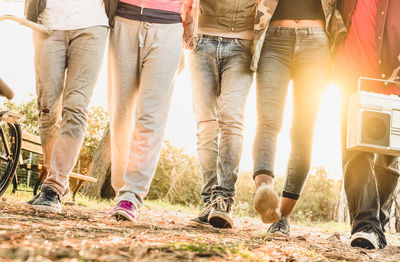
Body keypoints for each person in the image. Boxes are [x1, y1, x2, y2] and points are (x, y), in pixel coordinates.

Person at [250, 0, 346, 233]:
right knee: (268, 121)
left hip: (317, 43)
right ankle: (264, 191)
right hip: (274, 38)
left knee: (303, 129)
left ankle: (283, 216)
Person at [25, 0, 117, 212]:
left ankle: (54, 186)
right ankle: (54, 179)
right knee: (47, 109)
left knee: (76, 106)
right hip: (46, 25)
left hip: (92, 25)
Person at [107, 0, 189, 223]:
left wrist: (191, 22)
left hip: (169, 26)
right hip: (124, 20)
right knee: (120, 114)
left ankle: (131, 194)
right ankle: (120, 189)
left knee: (150, 117)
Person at [184, 0, 256, 229]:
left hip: (242, 45)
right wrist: (186, 23)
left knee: (232, 118)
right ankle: (209, 202)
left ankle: (223, 199)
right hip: (202, 40)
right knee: (205, 124)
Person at [335, 0, 400, 249]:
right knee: (354, 152)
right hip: (350, 78)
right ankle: (366, 225)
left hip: (390, 80)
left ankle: (375, 225)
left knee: (388, 159)